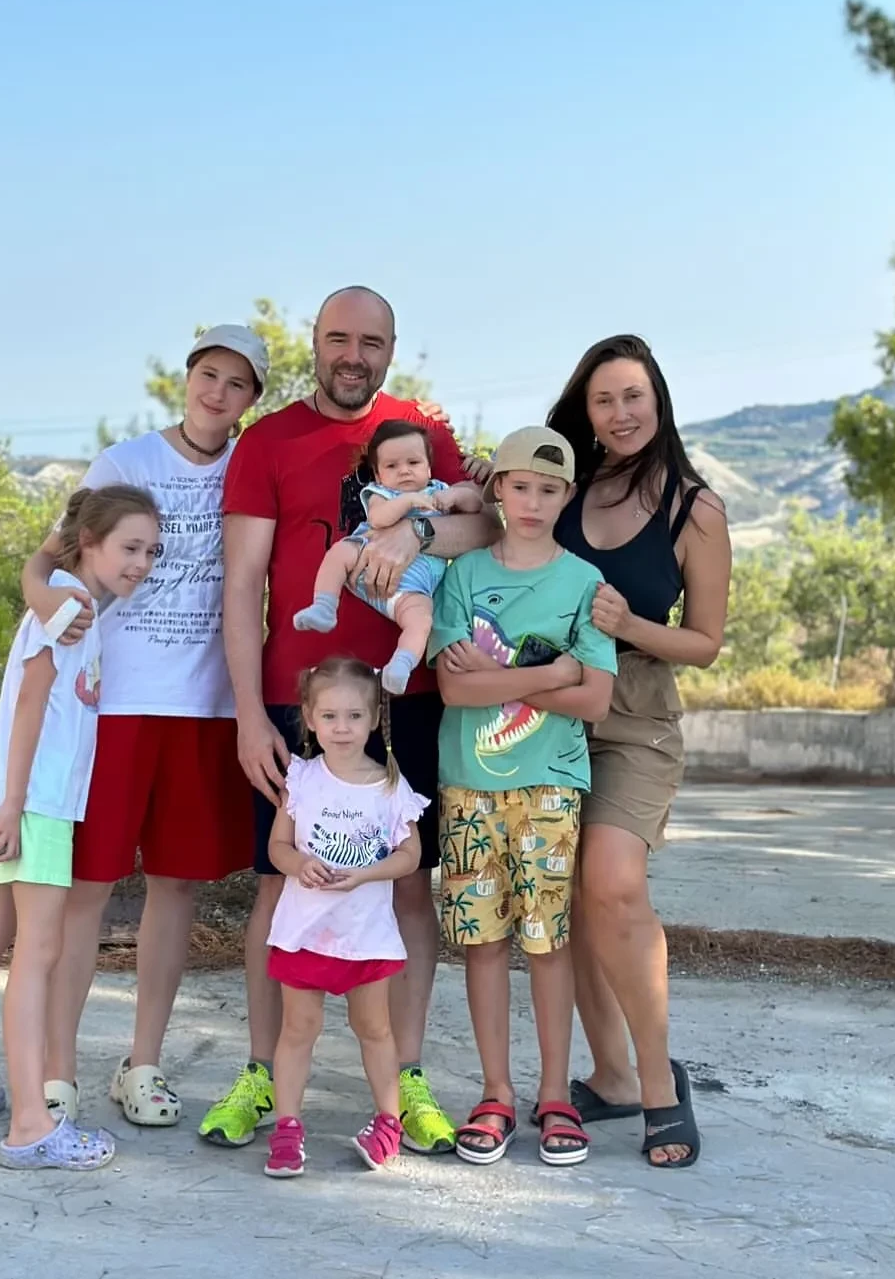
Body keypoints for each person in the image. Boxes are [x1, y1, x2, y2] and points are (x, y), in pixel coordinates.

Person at [215, 285, 499, 1155]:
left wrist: (418, 537)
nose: (353, 354)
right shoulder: (267, 441)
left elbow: (485, 524)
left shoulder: (423, 431)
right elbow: (241, 584)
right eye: (338, 337)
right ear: (315, 342)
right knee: (281, 880)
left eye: (370, 341)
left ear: (390, 348)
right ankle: (262, 1073)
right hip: (295, 700)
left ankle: (405, 1079)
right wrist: (247, 715)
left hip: (409, 695)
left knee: (409, 881)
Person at [19, 325, 267, 1128]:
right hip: (115, 702)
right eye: (208, 373)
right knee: (88, 887)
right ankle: (58, 1069)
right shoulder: (125, 461)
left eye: (237, 382)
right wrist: (43, 597)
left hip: (204, 704)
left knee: (176, 885)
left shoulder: (251, 466)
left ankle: (144, 1062)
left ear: (252, 398)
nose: (218, 392)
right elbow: (47, 559)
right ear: (186, 377)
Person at [0, 484, 159, 1170]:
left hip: (8, 792)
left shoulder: (63, 595)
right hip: (33, 802)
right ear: (89, 543)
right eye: (130, 547)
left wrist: (7, 799)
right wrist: (16, 806)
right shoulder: (72, 608)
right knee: (38, 952)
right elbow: (31, 703)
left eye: (153, 551)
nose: (143, 563)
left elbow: (39, 691)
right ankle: (31, 1123)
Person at [547, 334, 731, 1170]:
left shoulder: (696, 509)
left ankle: (660, 1085)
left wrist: (629, 625)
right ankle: (612, 1075)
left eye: (633, 396)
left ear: (657, 400)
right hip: (551, 708)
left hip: (638, 715)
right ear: (585, 411)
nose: (620, 413)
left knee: (615, 883)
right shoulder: (567, 488)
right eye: (603, 399)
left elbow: (706, 641)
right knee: (570, 898)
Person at [430, 427, 616, 1167]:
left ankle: (555, 1094)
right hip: (470, 786)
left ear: (566, 496)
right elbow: (453, 688)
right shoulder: (465, 575)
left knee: (547, 941)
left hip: (550, 785)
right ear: (497, 490)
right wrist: (554, 674)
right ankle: (496, 1092)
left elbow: (596, 700)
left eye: (548, 489)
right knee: (482, 942)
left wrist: (501, 679)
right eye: (519, 486)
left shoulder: (585, 583)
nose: (532, 501)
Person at [262, 657, 426, 1177]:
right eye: (329, 716)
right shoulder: (302, 779)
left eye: (354, 716)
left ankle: (389, 1122)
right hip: (305, 933)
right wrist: (299, 865)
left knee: (373, 1028)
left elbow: (411, 855)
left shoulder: (390, 787)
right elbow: (278, 848)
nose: (342, 727)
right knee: (298, 1028)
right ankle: (288, 1127)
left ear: (374, 718)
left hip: (365, 936)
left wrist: (367, 874)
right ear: (309, 718)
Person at [293, 419, 483, 693]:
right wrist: (407, 501)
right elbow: (378, 519)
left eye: (413, 463)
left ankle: (400, 665)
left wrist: (457, 496)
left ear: (429, 467)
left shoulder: (439, 491)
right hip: (363, 565)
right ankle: (324, 606)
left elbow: (475, 506)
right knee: (339, 553)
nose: (404, 471)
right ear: (378, 475)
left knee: (422, 621)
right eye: (392, 466)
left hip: (412, 589)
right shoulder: (381, 493)